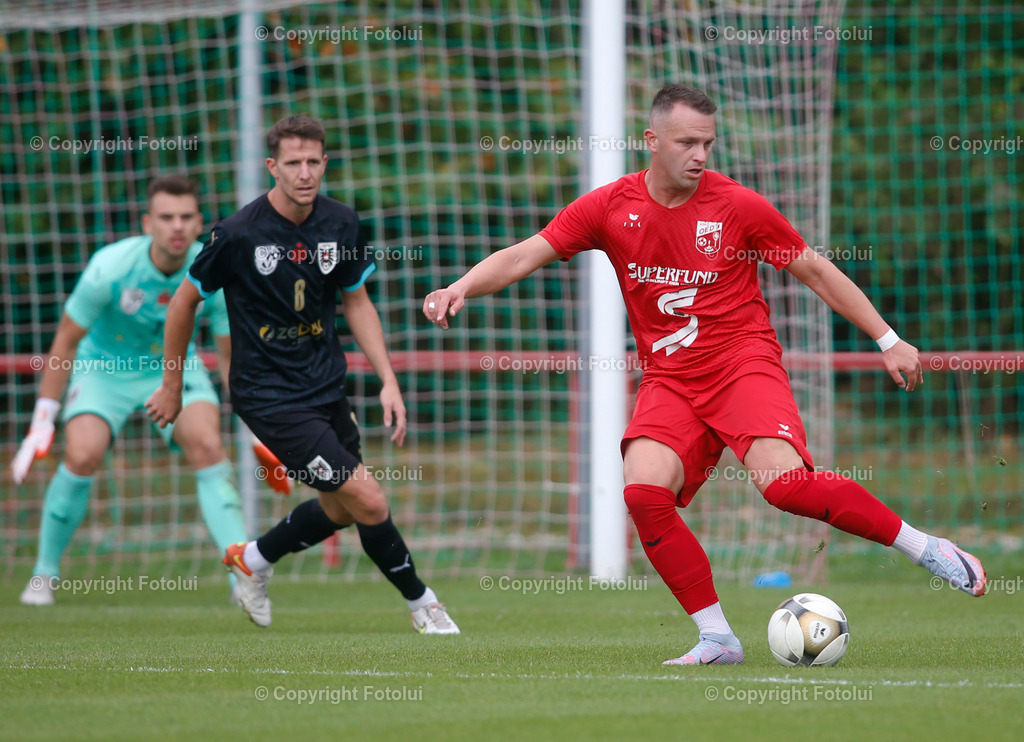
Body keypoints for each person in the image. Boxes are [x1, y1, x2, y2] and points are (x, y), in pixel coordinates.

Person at [422, 84, 985, 664]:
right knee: (643, 494)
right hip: (670, 380)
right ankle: (717, 637)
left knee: (785, 488)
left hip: (743, 367)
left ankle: (926, 548)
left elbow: (813, 270)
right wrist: (460, 285)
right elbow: (523, 254)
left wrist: (888, 338)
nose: (699, 155)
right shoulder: (610, 207)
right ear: (652, 141)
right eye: (687, 142)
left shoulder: (737, 205)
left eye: (708, 144)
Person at [145, 115, 459, 634]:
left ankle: (254, 559)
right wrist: (173, 385)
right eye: (293, 162)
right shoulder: (238, 234)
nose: (305, 172)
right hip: (267, 394)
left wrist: (388, 380)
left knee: (340, 507)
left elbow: (356, 301)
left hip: (325, 384)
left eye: (314, 161)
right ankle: (422, 603)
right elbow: (182, 305)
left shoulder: (341, 223)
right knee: (369, 497)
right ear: (273, 167)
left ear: (325, 163)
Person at [11, 175, 262, 606]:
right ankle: (43, 574)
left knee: (207, 445)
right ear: (148, 222)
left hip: (173, 366)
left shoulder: (213, 266)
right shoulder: (110, 267)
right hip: (103, 367)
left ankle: (242, 578)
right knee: (82, 454)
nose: (177, 226)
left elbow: (228, 355)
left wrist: (258, 425)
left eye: (186, 217)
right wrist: (42, 421)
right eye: (166, 217)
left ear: (200, 222)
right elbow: (66, 341)